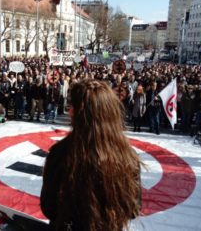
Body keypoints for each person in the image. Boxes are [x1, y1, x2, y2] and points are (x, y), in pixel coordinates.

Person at [41, 79, 141, 231]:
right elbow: (133, 209)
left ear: (79, 112)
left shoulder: (60, 153)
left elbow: (49, 207)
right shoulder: (128, 156)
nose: (69, 111)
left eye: (72, 106)